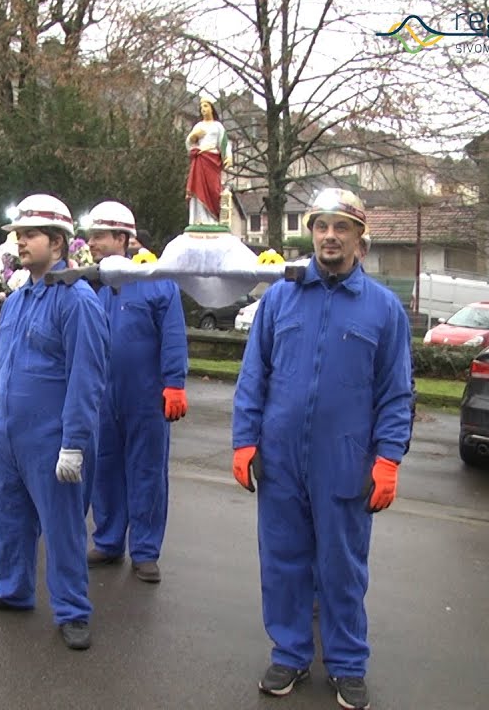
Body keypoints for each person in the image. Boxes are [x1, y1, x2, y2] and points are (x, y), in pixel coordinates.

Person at [231, 189, 412, 709]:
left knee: (342, 566)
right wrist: (245, 441)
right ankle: (288, 654)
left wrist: (387, 458)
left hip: (346, 460)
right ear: (310, 233)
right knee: (283, 561)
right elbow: (253, 377)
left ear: (360, 238)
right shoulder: (279, 299)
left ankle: (348, 663)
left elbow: (395, 392)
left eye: (341, 227)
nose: (330, 236)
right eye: (321, 226)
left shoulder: (383, 309)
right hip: (281, 459)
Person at [0, 193, 108, 652]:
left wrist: (75, 442)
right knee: (8, 518)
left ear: (59, 241)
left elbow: (87, 379)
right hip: (8, 434)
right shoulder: (17, 300)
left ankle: (71, 609)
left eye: (30, 235)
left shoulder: (78, 301)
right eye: (19, 235)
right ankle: (13, 588)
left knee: (63, 526)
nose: (20, 243)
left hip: (52, 440)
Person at [83, 201, 188, 585]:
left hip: (146, 396)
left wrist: (174, 383)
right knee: (105, 469)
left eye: (99, 236)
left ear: (123, 239)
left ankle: (145, 550)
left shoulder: (157, 281)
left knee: (145, 472)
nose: (91, 243)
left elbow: (173, 335)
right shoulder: (97, 285)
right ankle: (109, 541)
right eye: (91, 235)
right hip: (102, 395)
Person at [185, 96, 233, 226]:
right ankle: (199, 218)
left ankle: (212, 219)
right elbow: (189, 144)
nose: (203, 110)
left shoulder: (218, 126)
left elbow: (224, 143)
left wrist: (228, 157)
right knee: (198, 187)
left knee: (213, 189)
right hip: (200, 160)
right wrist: (193, 137)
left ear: (212, 108)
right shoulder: (198, 126)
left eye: (206, 106)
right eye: (201, 107)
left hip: (213, 161)